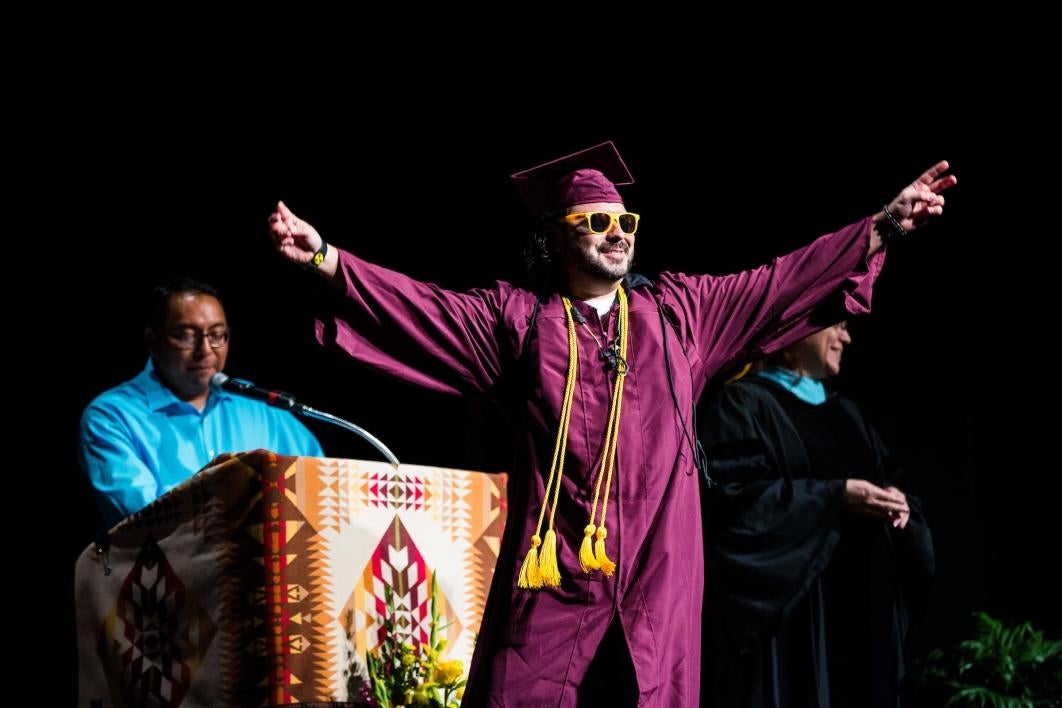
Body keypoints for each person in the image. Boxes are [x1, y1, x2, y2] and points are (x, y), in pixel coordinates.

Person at [266, 141, 954, 707]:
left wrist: (881, 225)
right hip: (555, 573)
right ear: (558, 239)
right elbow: (426, 309)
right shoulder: (520, 325)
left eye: (626, 224)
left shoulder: (680, 316)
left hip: (656, 575)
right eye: (597, 223)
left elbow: (778, 279)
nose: (617, 235)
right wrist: (328, 257)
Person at [698, 321, 935, 707]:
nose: (846, 338)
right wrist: (834, 497)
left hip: (866, 624)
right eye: (836, 326)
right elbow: (734, 509)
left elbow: (893, 482)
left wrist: (900, 504)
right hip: (800, 632)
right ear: (795, 329)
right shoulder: (743, 405)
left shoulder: (848, 413)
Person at [78, 277, 324, 529]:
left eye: (217, 335)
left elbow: (321, 488)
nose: (205, 350)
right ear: (153, 341)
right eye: (186, 336)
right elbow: (144, 520)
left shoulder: (261, 408)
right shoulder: (111, 416)